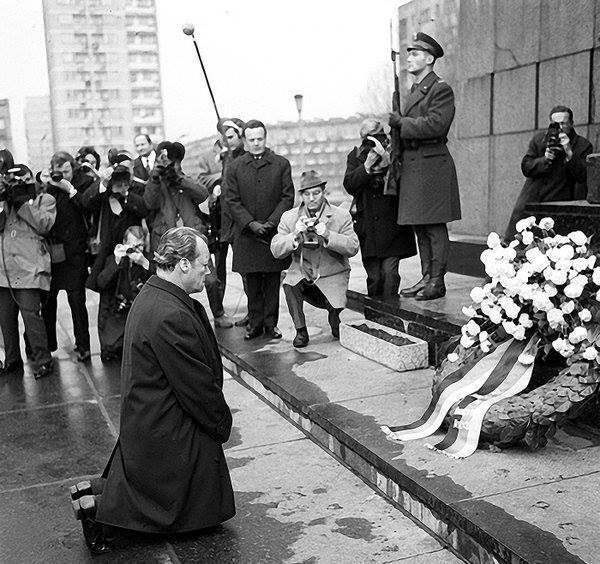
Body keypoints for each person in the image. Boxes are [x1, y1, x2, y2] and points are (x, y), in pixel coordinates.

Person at [71, 227, 234, 554]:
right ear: (184, 264)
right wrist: (220, 423)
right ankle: (102, 519)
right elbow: (196, 387)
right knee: (192, 510)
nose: (208, 270)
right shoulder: (169, 313)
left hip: (150, 419)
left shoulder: (155, 294)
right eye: (203, 264)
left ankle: (99, 494)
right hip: (164, 428)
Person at [389, 32, 461, 301]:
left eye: (415, 54)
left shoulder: (440, 88)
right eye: (409, 53)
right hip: (416, 165)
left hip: (431, 164)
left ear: (430, 59)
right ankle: (426, 277)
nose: (409, 58)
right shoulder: (415, 90)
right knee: (421, 226)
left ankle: (437, 280)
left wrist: (401, 123)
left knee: (433, 226)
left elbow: (436, 124)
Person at [272, 171, 359, 348]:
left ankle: (335, 316)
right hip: (304, 275)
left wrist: (328, 234)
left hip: (332, 274)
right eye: (307, 194)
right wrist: (295, 235)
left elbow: (353, 247)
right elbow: (275, 249)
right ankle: (301, 331)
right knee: (289, 284)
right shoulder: (289, 217)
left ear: (324, 192)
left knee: (337, 330)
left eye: (316, 193)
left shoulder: (341, 215)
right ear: (301, 195)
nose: (312, 198)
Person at [225, 119, 295, 340]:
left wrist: (272, 222)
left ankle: (271, 324)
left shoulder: (281, 164)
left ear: (266, 138)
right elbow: (231, 200)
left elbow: (287, 197)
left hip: (272, 233)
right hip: (247, 233)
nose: (256, 143)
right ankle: (254, 323)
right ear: (244, 141)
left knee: (273, 280)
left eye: (260, 138)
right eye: (252, 139)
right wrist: (251, 223)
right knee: (252, 280)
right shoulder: (235, 167)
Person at [83, 153, 148, 361]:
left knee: (135, 298)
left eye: (123, 180)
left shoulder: (135, 190)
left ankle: (136, 345)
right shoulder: (102, 193)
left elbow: (145, 207)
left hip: (134, 250)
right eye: (116, 181)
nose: (119, 185)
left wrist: (126, 195)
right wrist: (104, 183)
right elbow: (86, 202)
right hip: (109, 255)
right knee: (107, 301)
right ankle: (110, 347)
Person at [343, 118, 417, 297]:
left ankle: (391, 314)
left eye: (378, 137)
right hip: (369, 227)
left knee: (390, 273)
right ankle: (375, 318)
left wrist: (387, 161)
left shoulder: (394, 153)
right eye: (370, 139)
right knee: (375, 277)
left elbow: (405, 183)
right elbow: (350, 185)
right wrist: (367, 166)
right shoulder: (355, 157)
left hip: (392, 226)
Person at [0, 164, 56, 378]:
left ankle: (43, 360)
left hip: (29, 270)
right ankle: (12, 360)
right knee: (5, 319)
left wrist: (22, 202)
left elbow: (44, 224)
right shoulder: (5, 202)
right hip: (4, 270)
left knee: (32, 318)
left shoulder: (44, 200)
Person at [505, 105, 593, 238]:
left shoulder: (583, 144)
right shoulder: (540, 140)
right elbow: (526, 167)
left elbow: (582, 175)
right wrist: (545, 159)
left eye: (563, 123)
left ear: (571, 123)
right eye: (555, 124)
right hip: (536, 199)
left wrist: (569, 152)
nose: (559, 128)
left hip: (563, 202)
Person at [41, 151, 96, 361]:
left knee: (76, 300)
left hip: (76, 250)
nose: (64, 175)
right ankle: (49, 344)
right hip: (54, 251)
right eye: (59, 172)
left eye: (67, 170)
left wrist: (70, 189)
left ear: (73, 166)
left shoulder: (83, 182)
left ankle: (83, 346)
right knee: (48, 301)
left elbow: (87, 206)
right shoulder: (51, 188)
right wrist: (47, 185)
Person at [87, 226, 151, 362]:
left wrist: (144, 262)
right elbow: (101, 283)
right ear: (123, 243)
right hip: (118, 312)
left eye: (139, 245)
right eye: (131, 245)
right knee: (112, 351)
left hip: (141, 314)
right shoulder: (114, 258)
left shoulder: (148, 259)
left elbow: (162, 280)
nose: (134, 249)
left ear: (145, 244)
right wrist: (116, 262)